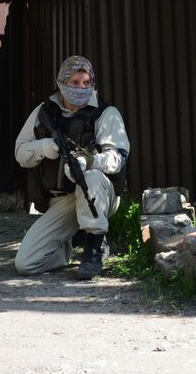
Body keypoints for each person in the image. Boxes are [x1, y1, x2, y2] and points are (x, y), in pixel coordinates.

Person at [13, 56, 130, 279]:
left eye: (86, 83)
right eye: (75, 83)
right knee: (26, 264)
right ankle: (66, 247)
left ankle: (95, 247)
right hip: (62, 200)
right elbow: (20, 153)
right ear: (62, 82)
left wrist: (91, 162)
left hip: (98, 194)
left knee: (92, 177)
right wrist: (45, 146)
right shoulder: (43, 112)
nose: (81, 88)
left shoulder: (106, 114)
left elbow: (119, 157)